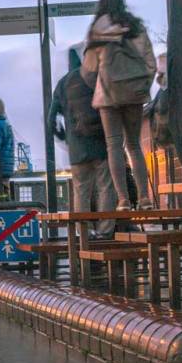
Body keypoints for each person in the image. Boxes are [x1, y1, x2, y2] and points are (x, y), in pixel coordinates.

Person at [81, 0, 157, 211]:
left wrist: (97, 84)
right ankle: (144, 199)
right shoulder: (136, 28)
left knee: (114, 145)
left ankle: (123, 200)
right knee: (134, 145)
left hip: (107, 94)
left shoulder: (97, 32)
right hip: (134, 93)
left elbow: (88, 69)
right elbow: (149, 61)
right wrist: (141, 85)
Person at [48, 42, 116, 238]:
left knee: (81, 190)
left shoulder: (63, 84)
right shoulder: (95, 78)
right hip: (100, 142)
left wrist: (65, 137)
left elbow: (51, 119)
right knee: (105, 186)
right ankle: (105, 230)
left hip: (77, 148)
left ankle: (83, 231)